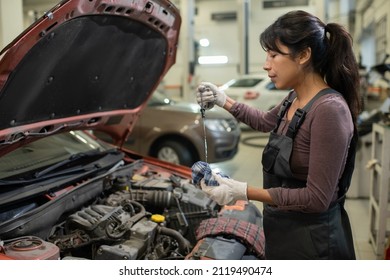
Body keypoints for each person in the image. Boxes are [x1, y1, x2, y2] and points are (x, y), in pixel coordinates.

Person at [195, 10, 361, 260]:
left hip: (315, 243)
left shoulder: (328, 110)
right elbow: (265, 121)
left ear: (304, 55)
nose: (266, 64)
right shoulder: (295, 97)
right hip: (285, 230)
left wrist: (242, 191)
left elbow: (316, 198)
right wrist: (223, 100)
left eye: (274, 54)